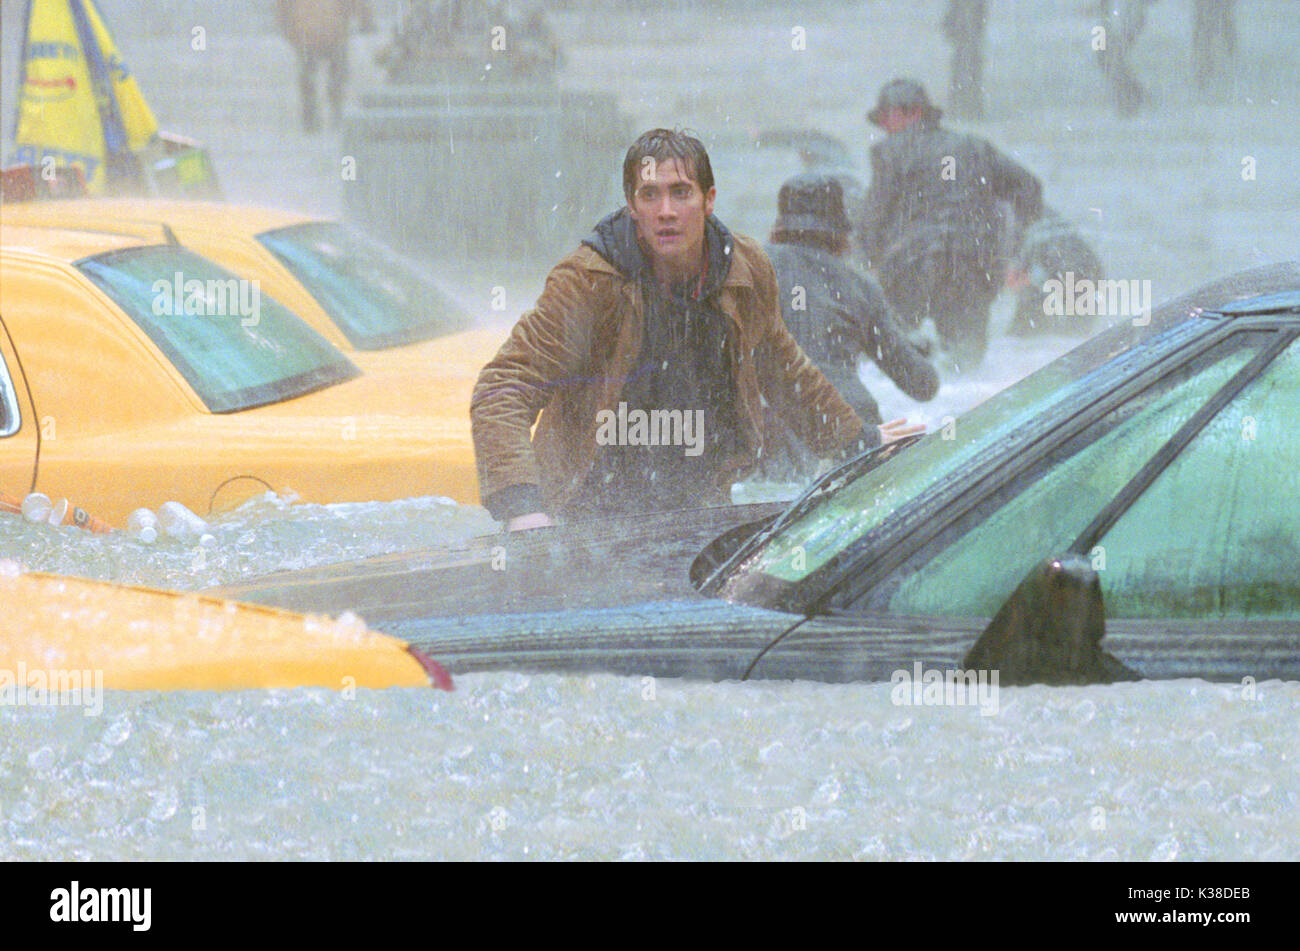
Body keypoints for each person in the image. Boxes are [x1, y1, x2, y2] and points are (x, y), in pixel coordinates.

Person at [471, 128, 923, 531]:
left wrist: (859, 441)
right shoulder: (590, 283)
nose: (666, 211)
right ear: (631, 206)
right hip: (584, 511)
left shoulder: (745, 270)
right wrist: (522, 506)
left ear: (708, 200)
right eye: (650, 195)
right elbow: (503, 386)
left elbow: (784, 370)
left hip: (698, 506)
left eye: (681, 192)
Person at [856, 78, 1042, 369]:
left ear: (912, 112)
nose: (882, 127)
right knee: (966, 364)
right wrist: (1016, 251)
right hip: (971, 263)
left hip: (910, 264)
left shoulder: (891, 150)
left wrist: (867, 260)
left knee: (894, 361)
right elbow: (1028, 188)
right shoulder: (974, 147)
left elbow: (874, 215)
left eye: (884, 117)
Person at [763, 173, 939, 477]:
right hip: (854, 426)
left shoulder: (754, 266)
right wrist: (920, 349)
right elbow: (922, 384)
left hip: (774, 427)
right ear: (843, 233)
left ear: (778, 227)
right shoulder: (860, 286)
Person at [276, 0, 375, 133]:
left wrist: (287, 29)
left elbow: (284, 7)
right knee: (336, 75)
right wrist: (366, 20)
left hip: (306, 33)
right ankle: (336, 113)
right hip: (335, 32)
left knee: (308, 77)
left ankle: (311, 118)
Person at [1005, 206, 1105, 337]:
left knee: (1029, 333)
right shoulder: (1038, 211)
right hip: (1089, 269)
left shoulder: (1011, 223)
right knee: (1077, 336)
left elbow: (1020, 277)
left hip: (1062, 268)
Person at [942, 0, 990, 120]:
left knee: (967, 73)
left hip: (968, 46)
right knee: (964, 73)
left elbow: (978, 20)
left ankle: (967, 108)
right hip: (965, 46)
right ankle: (965, 108)